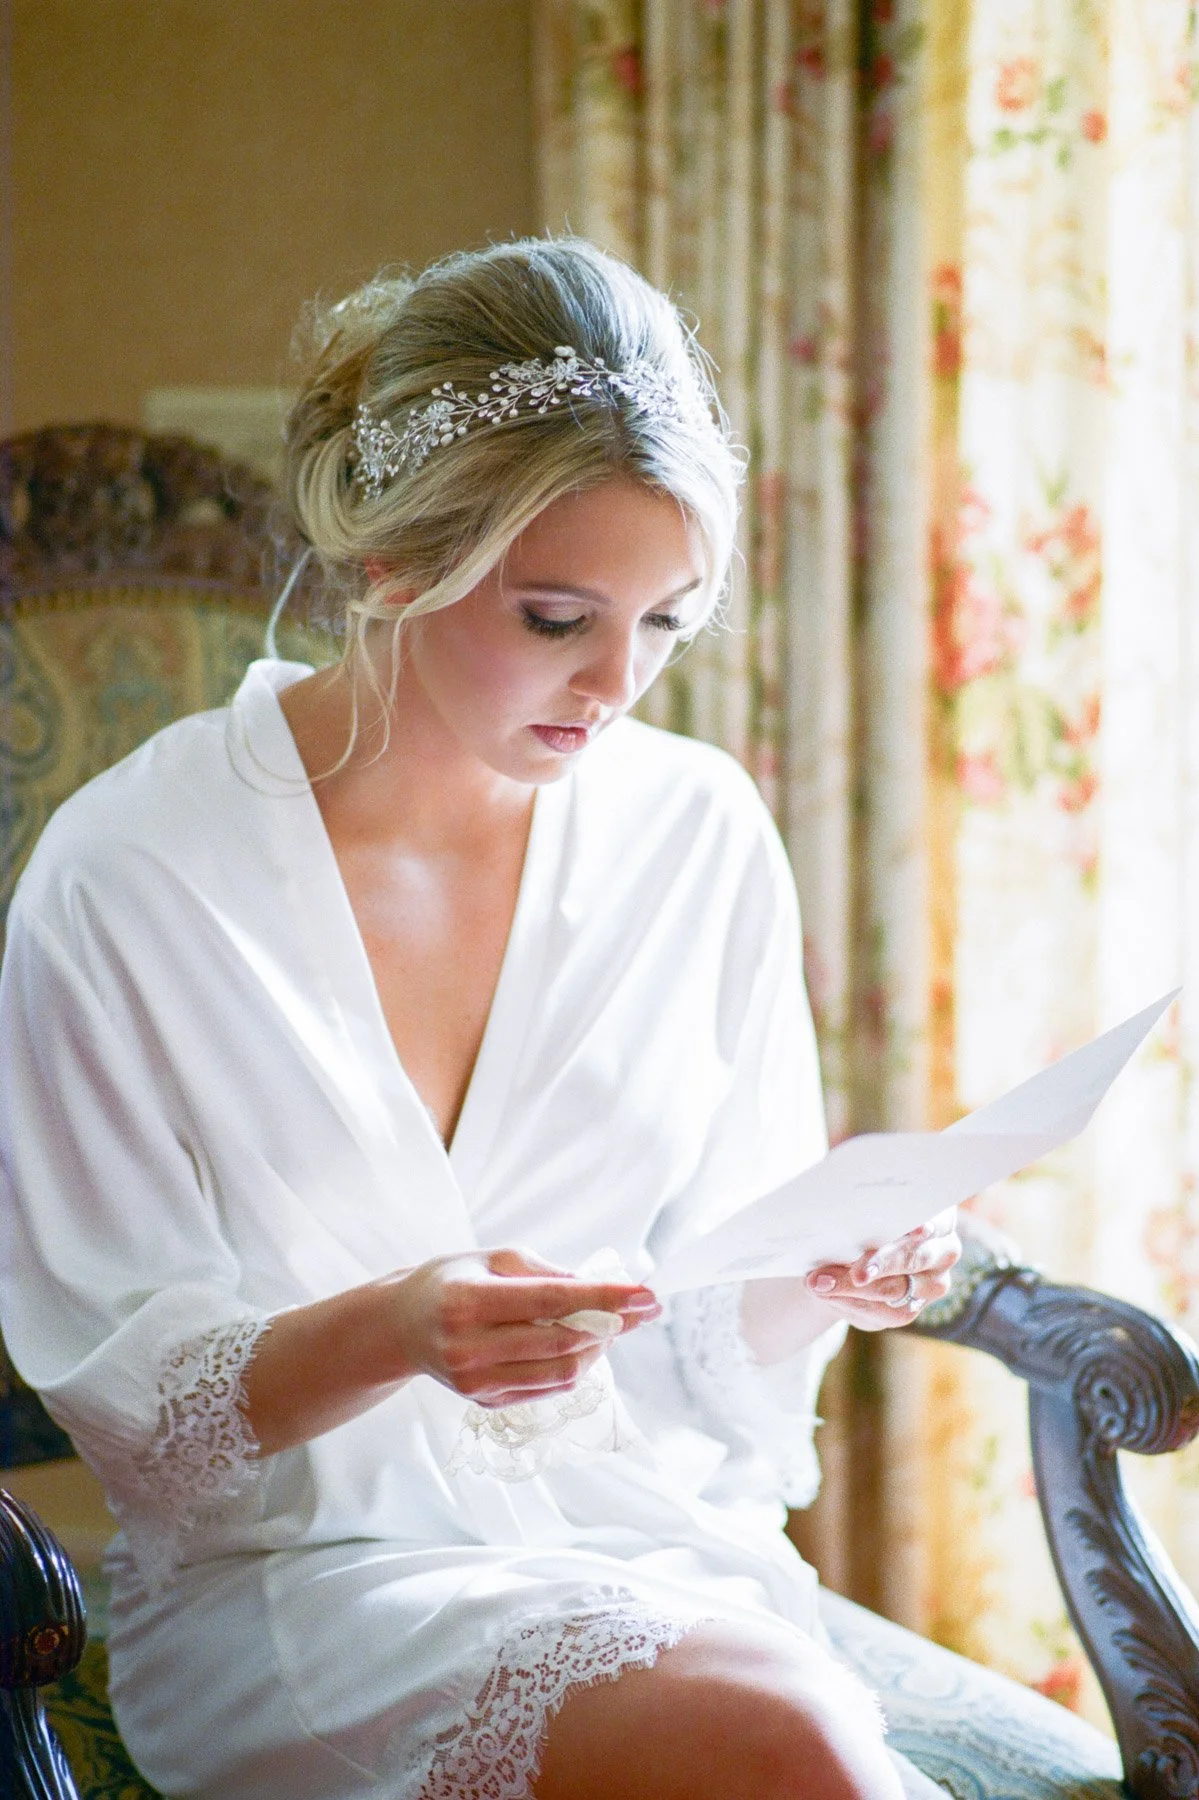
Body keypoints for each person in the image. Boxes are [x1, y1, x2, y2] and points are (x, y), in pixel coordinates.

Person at [0, 238, 960, 1800]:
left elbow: (697, 1327)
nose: (615, 683)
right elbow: (136, 1424)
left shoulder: (698, 835)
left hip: (640, 1541)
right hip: (302, 1591)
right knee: (788, 1742)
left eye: (666, 622)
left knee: (785, 1732)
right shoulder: (130, 874)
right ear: (390, 561)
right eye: (555, 617)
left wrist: (820, 1276)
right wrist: (397, 1328)